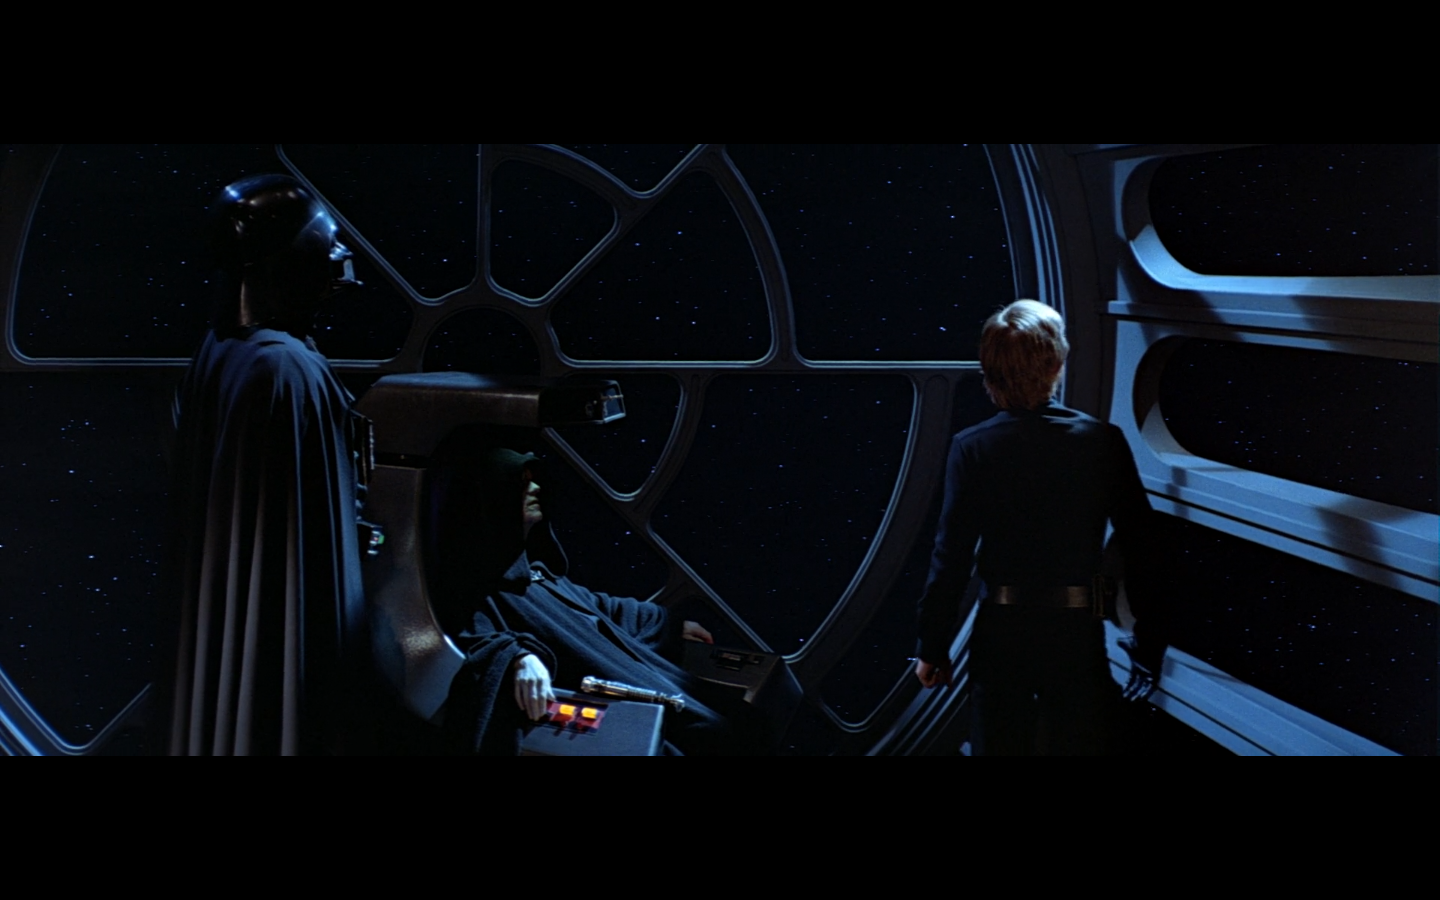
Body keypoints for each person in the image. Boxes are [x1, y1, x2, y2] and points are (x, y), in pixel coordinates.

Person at [165, 174, 368, 755]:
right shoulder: (282, 369)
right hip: (287, 641)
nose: (338, 253)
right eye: (324, 239)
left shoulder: (223, 353)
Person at [914, 299, 1164, 755]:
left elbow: (950, 558)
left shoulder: (972, 447)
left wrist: (932, 647)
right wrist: (1149, 644)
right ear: (1054, 364)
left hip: (1000, 633)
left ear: (990, 373)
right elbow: (1143, 548)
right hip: (1074, 633)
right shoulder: (1101, 441)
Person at [431, 444, 759, 755]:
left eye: (534, 481)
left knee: (734, 719)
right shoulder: (482, 588)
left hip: (634, 675)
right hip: (608, 697)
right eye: (521, 484)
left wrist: (667, 624)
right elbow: (473, 635)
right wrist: (519, 658)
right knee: (712, 731)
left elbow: (596, 607)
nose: (535, 490)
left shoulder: (538, 574)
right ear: (493, 500)